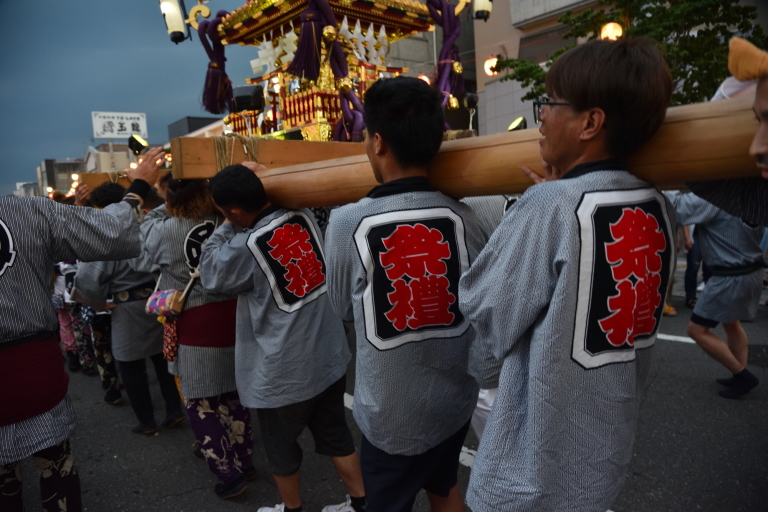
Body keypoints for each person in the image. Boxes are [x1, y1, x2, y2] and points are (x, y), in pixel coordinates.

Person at [460, 39, 675, 511]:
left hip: (533, 467)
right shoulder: (658, 205)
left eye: (550, 105)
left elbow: (487, 311)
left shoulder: (551, 204)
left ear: (590, 123)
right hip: (606, 446)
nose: (541, 118)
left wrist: (531, 213)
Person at [324, 76, 489, 512]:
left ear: (377, 142)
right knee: (444, 487)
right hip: (455, 399)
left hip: (391, 416)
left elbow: (340, 305)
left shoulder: (347, 222)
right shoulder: (468, 214)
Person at [0, 147, 164, 512]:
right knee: (56, 466)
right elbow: (110, 231)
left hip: (32, 361)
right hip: (30, 367)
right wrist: (138, 185)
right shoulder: (23, 211)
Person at [201, 164, 366, 512]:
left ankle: (292, 509)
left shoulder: (245, 245)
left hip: (283, 370)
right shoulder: (302, 214)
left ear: (233, 210)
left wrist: (226, 225)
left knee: (281, 451)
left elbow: (210, 274)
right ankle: (361, 502)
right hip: (327, 354)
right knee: (337, 436)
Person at [133, 173, 256, 499]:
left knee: (202, 403)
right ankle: (247, 461)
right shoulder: (226, 219)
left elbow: (143, 262)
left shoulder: (162, 228)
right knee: (233, 396)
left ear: (169, 198)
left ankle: (229, 476)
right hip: (235, 315)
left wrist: (162, 207)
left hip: (195, 322)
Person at [73, 182, 184, 434]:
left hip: (126, 306)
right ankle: (174, 410)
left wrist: (99, 303)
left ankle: (146, 421)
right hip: (157, 300)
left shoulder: (106, 237)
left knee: (130, 365)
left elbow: (87, 279)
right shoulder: (147, 223)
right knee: (161, 358)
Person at [668, 191, 762, 398]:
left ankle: (742, 375)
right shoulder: (753, 193)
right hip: (752, 270)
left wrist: (673, 181)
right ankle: (740, 373)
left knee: (696, 330)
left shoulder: (716, 194)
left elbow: (675, 210)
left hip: (730, 276)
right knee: (731, 323)